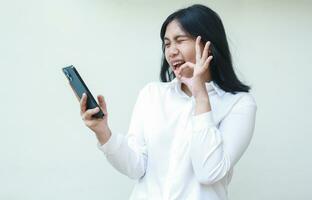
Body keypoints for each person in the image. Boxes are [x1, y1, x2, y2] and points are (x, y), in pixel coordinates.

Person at [79, 4, 257, 200]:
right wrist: (103, 132)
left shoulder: (239, 103)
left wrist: (201, 97)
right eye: (167, 44)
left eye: (180, 41)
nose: (171, 51)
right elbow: (136, 167)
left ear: (208, 44)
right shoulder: (152, 94)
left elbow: (209, 172)